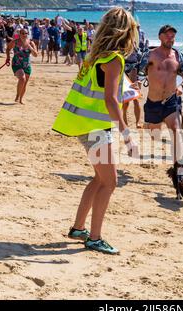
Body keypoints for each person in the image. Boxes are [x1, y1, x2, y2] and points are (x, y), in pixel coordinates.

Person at [52, 7, 139, 255]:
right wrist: (126, 134)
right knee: (110, 182)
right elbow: (111, 100)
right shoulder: (114, 59)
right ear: (125, 32)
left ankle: (79, 228)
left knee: (100, 179)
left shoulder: (95, 57)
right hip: (95, 128)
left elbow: (103, 94)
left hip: (84, 125)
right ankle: (95, 237)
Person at [140, 25, 183, 164]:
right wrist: (135, 84)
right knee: (155, 135)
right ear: (160, 37)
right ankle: (150, 125)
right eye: (167, 35)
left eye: (172, 36)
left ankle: (177, 168)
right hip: (153, 102)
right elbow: (138, 72)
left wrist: (182, 86)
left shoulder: (178, 57)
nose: (170, 38)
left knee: (176, 131)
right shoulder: (150, 55)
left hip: (171, 101)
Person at [6, 28, 38, 104]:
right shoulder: (15, 42)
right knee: (22, 79)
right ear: (19, 34)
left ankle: (21, 99)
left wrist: (30, 48)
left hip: (26, 64)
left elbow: (36, 55)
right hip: (17, 63)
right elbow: (8, 49)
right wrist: (8, 58)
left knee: (25, 83)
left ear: (27, 34)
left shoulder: (31, 43)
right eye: (22, 33)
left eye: (25, 33)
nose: (24, 35)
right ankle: (17, 95)